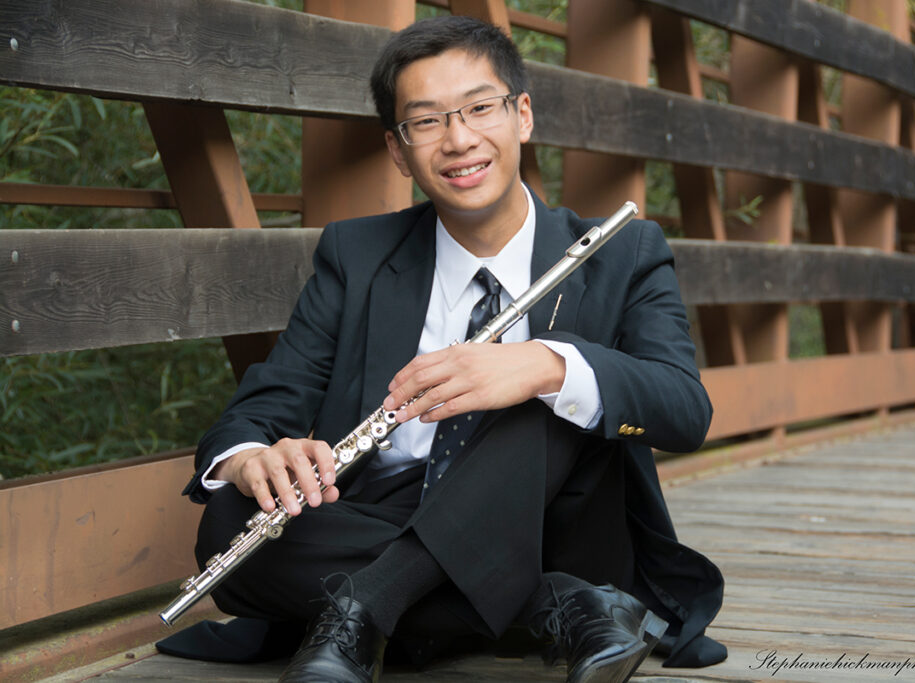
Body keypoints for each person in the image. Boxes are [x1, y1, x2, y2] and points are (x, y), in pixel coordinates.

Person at [166, 14, 725, 683]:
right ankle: (562, 605)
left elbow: (685, 410)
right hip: (393, 510)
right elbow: (265, 402)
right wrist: (257, 454)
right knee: (232, 513)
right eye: (426, 121)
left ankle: (367, 608)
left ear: (521, 115)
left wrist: (543, 366)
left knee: (546, 384)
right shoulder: (358, 254)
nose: (459, 140)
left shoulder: (623, 251)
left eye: (479, 109)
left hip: (555, 522)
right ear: (399, 151)